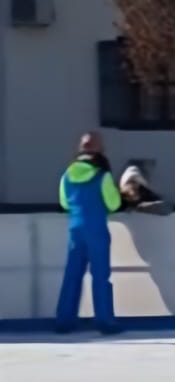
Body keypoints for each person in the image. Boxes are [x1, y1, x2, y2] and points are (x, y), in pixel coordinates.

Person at [54, 132, 122, 335]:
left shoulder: (67, 175)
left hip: (75, 229)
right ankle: (105, 321)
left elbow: (65, 203)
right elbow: (114, 203)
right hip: (96, 228)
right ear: (99, 150)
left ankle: (64, 321)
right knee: (100, 275)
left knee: (72, 275)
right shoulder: (102, 176)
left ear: (80, 150)